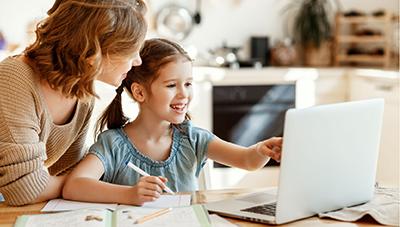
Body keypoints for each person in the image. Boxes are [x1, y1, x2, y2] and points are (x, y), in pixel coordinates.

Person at [63, 38, 283, 206]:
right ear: (139, 92)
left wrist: (262, 150)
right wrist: (129, 194)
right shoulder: (113, 144)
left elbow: (246, 160)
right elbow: (74, 186)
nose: (184, 95)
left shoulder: (193, 138)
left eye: (188, 84)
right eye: (171, 86)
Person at [0, 0, 147, 206]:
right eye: (131, 49)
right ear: (94, 51)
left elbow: (68, 168)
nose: (137, 60)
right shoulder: (14, 79)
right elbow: (23, 188)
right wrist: (80, 184)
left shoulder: (81, 93)